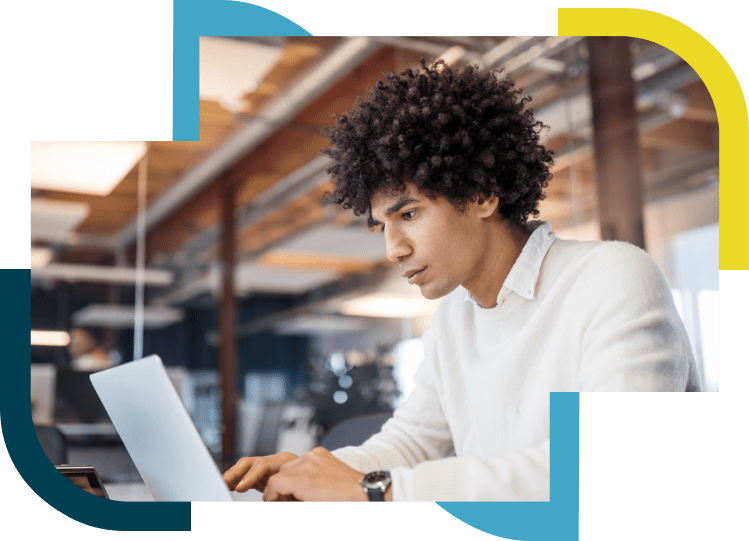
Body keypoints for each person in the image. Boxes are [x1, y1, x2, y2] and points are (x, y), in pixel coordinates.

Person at [223, 59, 701, 502]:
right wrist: (307, 472)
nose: (393, 249)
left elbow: (609, 468)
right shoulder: (455, 317)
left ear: (481, 194)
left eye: (408, 213)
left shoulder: (613, 278)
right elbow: (411, 442)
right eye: (382, 227)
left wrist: (377, 492)